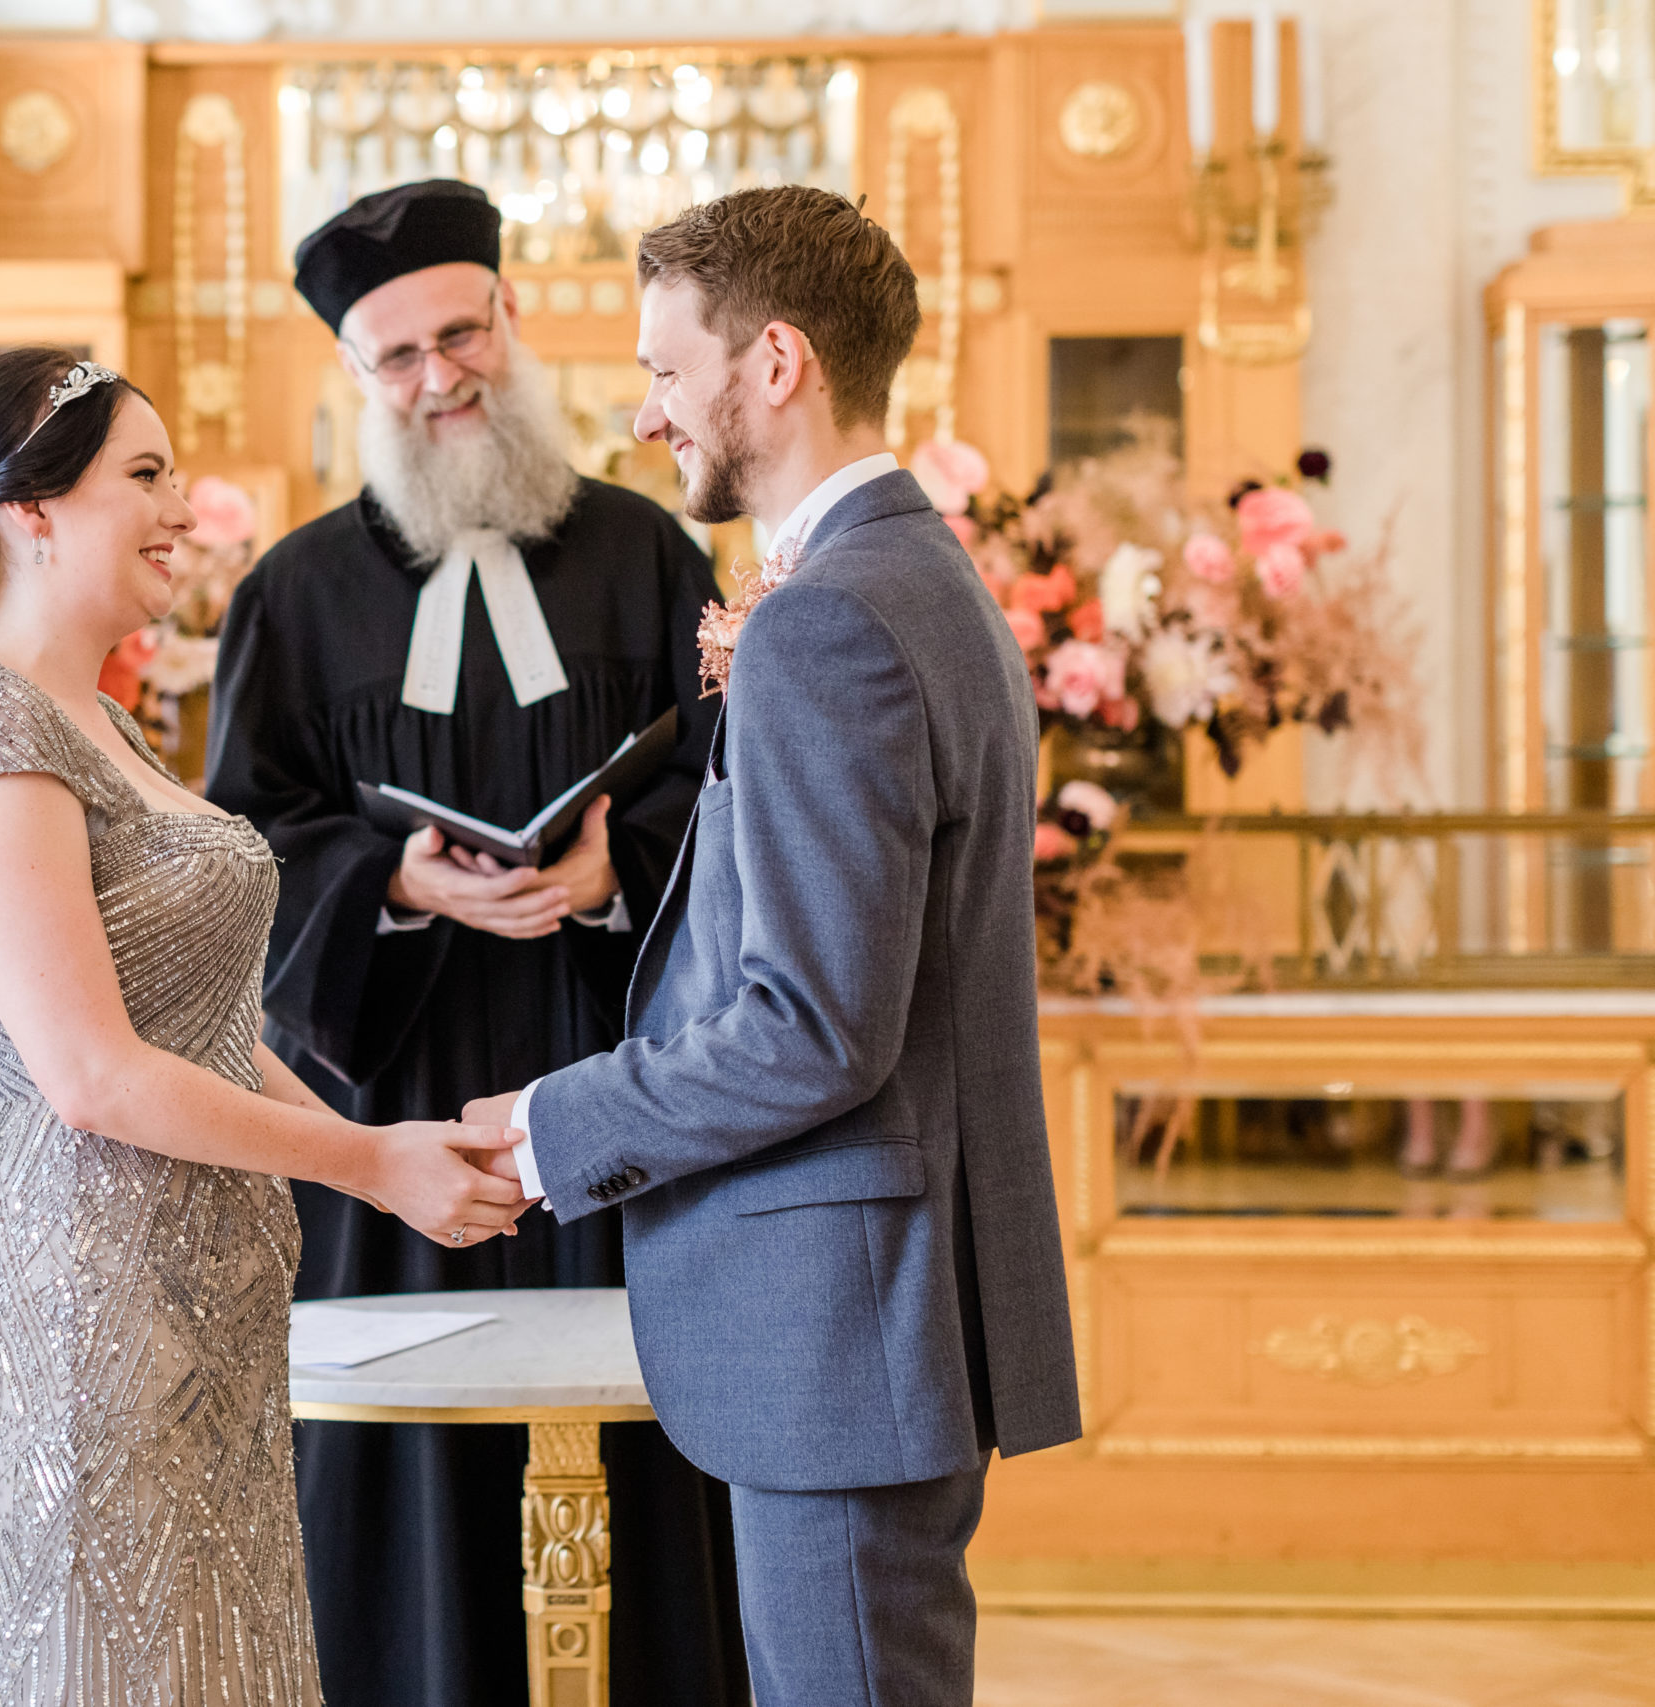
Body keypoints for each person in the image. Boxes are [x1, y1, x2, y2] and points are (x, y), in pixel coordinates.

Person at [0, 346, 531, 1706]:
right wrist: (371, 1170)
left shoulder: (110, 727)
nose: (185, 512)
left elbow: (196, 1030)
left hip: (204, 1316)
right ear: (29, 512)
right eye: (145, 476)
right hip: (84, 1319)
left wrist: (386, 1146)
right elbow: (89, 1075)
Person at [466, 187, 1083, 1705]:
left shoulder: (832, 621)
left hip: (842, 1326)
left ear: (779, 363)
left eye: (670, 369)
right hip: (879, 1310)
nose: (650, 408)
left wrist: (561, 1124)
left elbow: (813, 1027)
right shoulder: (916, 580)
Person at [204, 179, 746, 1707]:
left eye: (461, 333)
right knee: (405, 1476)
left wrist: (609, 876)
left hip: (614, 1079)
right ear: (355, 378)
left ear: (514, 323)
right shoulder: (294, 595)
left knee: (645, 1466)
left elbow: (736, 802)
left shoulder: (648, 558)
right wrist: (394, 885)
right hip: (393, 1109)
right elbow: (242, 846)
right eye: (396, 356)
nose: (439, 376)